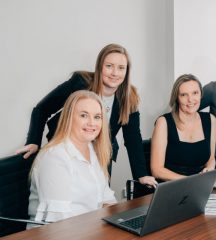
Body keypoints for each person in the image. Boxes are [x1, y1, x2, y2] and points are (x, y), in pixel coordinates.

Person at [16, 43, 157, 187]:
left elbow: (133, 139)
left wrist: (142, 175)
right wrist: (33, 141)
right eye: (109, 66)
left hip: (101, 154)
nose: (115, 73)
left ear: (127, 71)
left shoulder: (129, 97)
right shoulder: (80, 83)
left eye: (121, 68)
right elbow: (42, 109)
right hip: (68, 150)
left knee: (100, 199)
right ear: (100, 66)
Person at [28, 90, 117, 225]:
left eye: (97, 117)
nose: (92, 123)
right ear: (69, 118)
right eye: (83, 115)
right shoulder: (55, 157)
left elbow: (106, 199)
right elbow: (60, 223)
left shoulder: (94, 150)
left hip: (90, 230)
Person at [150, 74, 216, 181]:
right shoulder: (163, 122)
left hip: (201, 185)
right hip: (172, 187)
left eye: (195, 93)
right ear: (177, 98)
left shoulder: (211, 120)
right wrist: (190, 182)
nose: (191, 99)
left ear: (201, 94)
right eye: (184, 95)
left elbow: (211, 159)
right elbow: (157, 170)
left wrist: (209, 170)